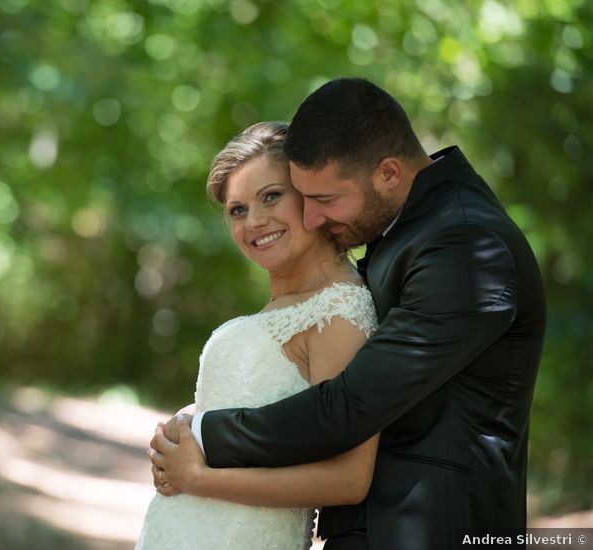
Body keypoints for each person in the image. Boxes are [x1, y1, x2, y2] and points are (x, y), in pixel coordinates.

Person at [150, 78, 546, 550]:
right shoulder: (411, 231)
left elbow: (350, 406)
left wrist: (204, 433)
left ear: (388, 174)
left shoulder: (465, 245)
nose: (313, 218)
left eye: (323, 200)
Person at [136, 121, 380, 550]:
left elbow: (349, 479)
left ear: (311, 194)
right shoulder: (284, 305)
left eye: (271, 196)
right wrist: (184, 426)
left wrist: (197, 477)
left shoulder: (339, 311)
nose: (255, 222)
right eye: (238, 209)